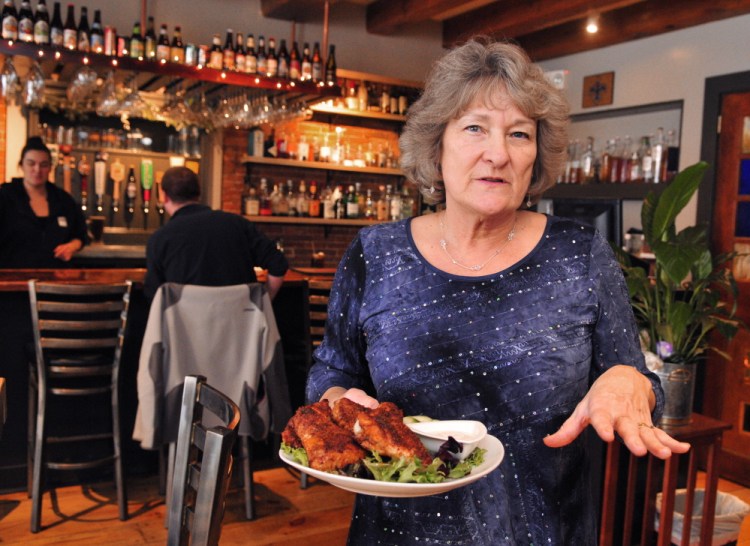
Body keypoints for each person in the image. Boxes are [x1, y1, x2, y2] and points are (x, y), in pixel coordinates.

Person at [305, 39, 690, 545]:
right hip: (397, 531)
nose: (498, 154)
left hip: (544, 530)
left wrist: (629, 381)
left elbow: (638, 384)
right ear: (436, 145)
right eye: (474, 128)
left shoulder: (581, 255)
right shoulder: (375, 254)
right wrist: (339, 401)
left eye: (519, 134)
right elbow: (333, 370)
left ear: (536, 155)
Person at [144, 166, 288, 300]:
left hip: (188, 326)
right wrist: (263, 303)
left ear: (165, 197)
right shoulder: (237, 224)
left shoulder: (159, 239)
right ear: (198, 194)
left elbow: (155, 298)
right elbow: (278, 264)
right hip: (240, 324)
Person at [0, 136, 87, 267]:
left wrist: (72, 246)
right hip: (13, 280)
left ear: (50, 168)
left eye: (43, 165)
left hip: (53, 281)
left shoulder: (63, 200)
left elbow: (81, 234)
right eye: (31, 163)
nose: (37, 170)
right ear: (21, 165)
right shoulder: (5, 196)